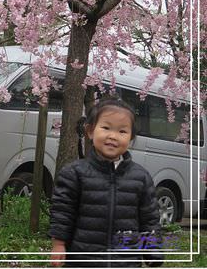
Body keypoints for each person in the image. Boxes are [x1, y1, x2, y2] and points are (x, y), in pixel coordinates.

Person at [49, 97, 162, 268]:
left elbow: (149, 218)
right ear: (90, 131)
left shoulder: (141, 177)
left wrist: (152, 248)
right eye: (106, 128)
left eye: (122, 131)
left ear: (131, 138)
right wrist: (58, 245)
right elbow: (63, 213)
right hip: (83, 260)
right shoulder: (74, 173)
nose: (113, 136)